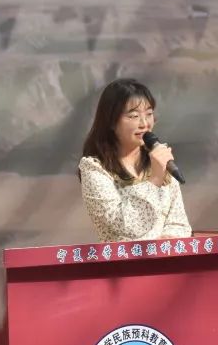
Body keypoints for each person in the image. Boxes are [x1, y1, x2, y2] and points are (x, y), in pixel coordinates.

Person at [78, 78, 192, 242]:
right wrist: (155, 180)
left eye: (149, 114)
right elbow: (125, 227)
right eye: (134, 116)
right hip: (123, 259)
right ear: (111, 121)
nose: (144, 123)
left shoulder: (158, 160)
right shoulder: (94, 168)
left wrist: (168, 239)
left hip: (166, 257)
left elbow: (179, 223)